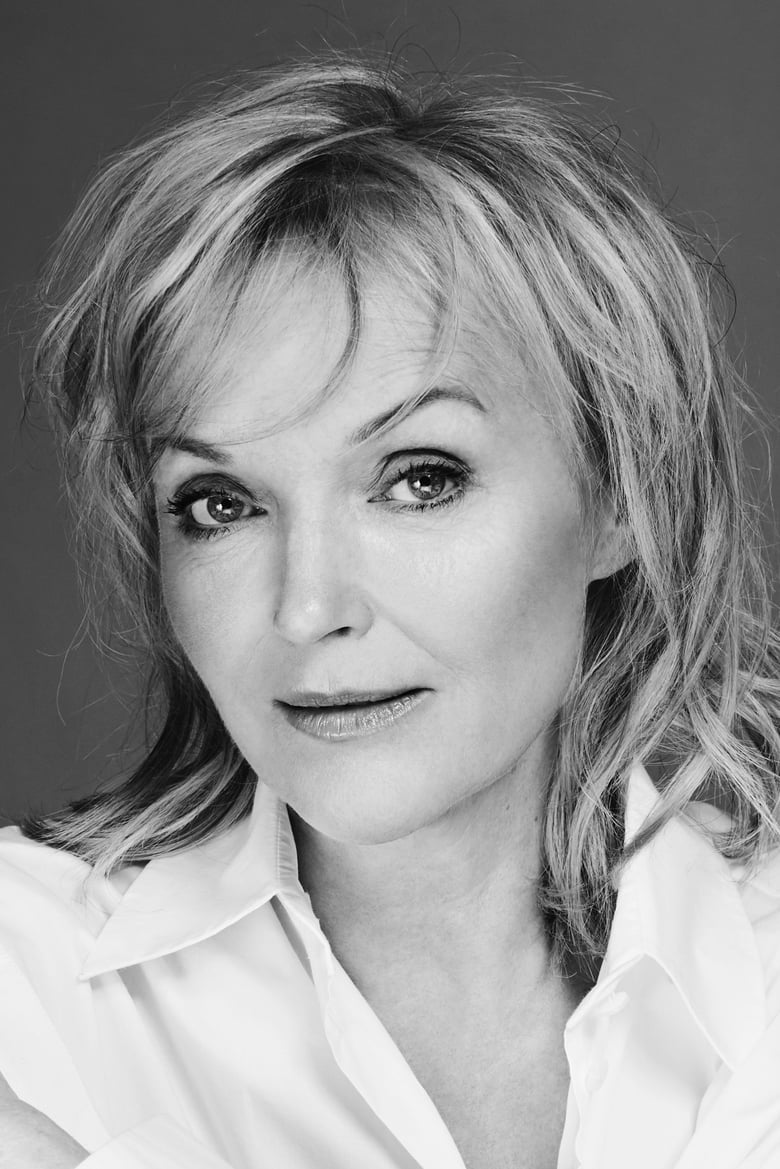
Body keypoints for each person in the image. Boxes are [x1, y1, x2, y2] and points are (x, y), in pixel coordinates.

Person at [1, 49, 779, 1169]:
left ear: (623, 496)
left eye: (419, 478)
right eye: (221, 503)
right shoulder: (21, 975)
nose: (309, 606)